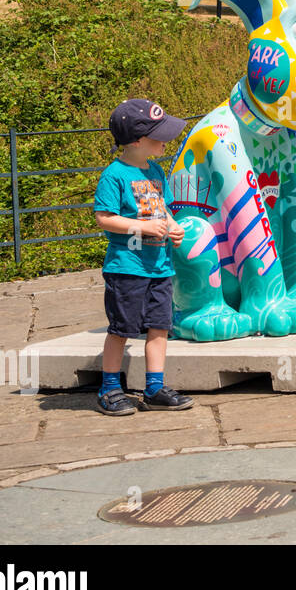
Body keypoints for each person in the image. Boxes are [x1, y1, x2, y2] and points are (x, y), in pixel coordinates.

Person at [93, 100, 194, 415]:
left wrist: (173, 228)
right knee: (121, 328)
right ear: (137, 140)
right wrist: (142, 226)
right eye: (159, 134)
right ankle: (110, 388)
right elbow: (105, 217)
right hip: (128, 267)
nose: (167, 140)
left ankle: (154, 388)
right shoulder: (115, 175)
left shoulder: (155, 171)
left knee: (159, 327)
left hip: (159, 266)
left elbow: (162, 208)